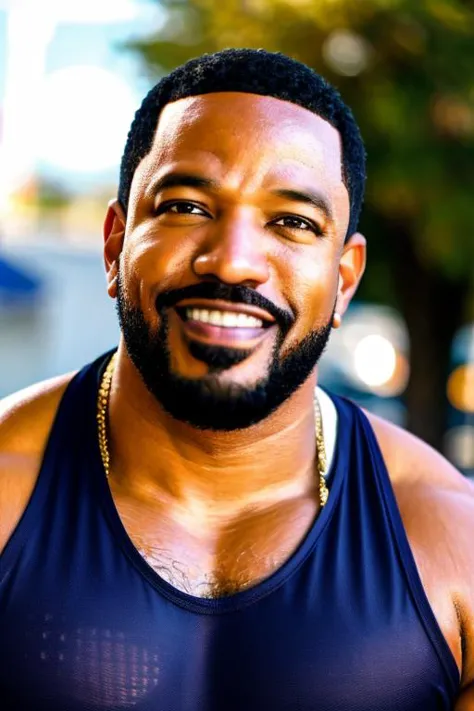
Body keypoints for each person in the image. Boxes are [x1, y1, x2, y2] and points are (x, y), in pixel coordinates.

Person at [0, 48, 473, 711]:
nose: (234, 260)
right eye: (189, 206)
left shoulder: (454, 543)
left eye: (292, 222)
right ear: (115, 243)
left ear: (343, 279)